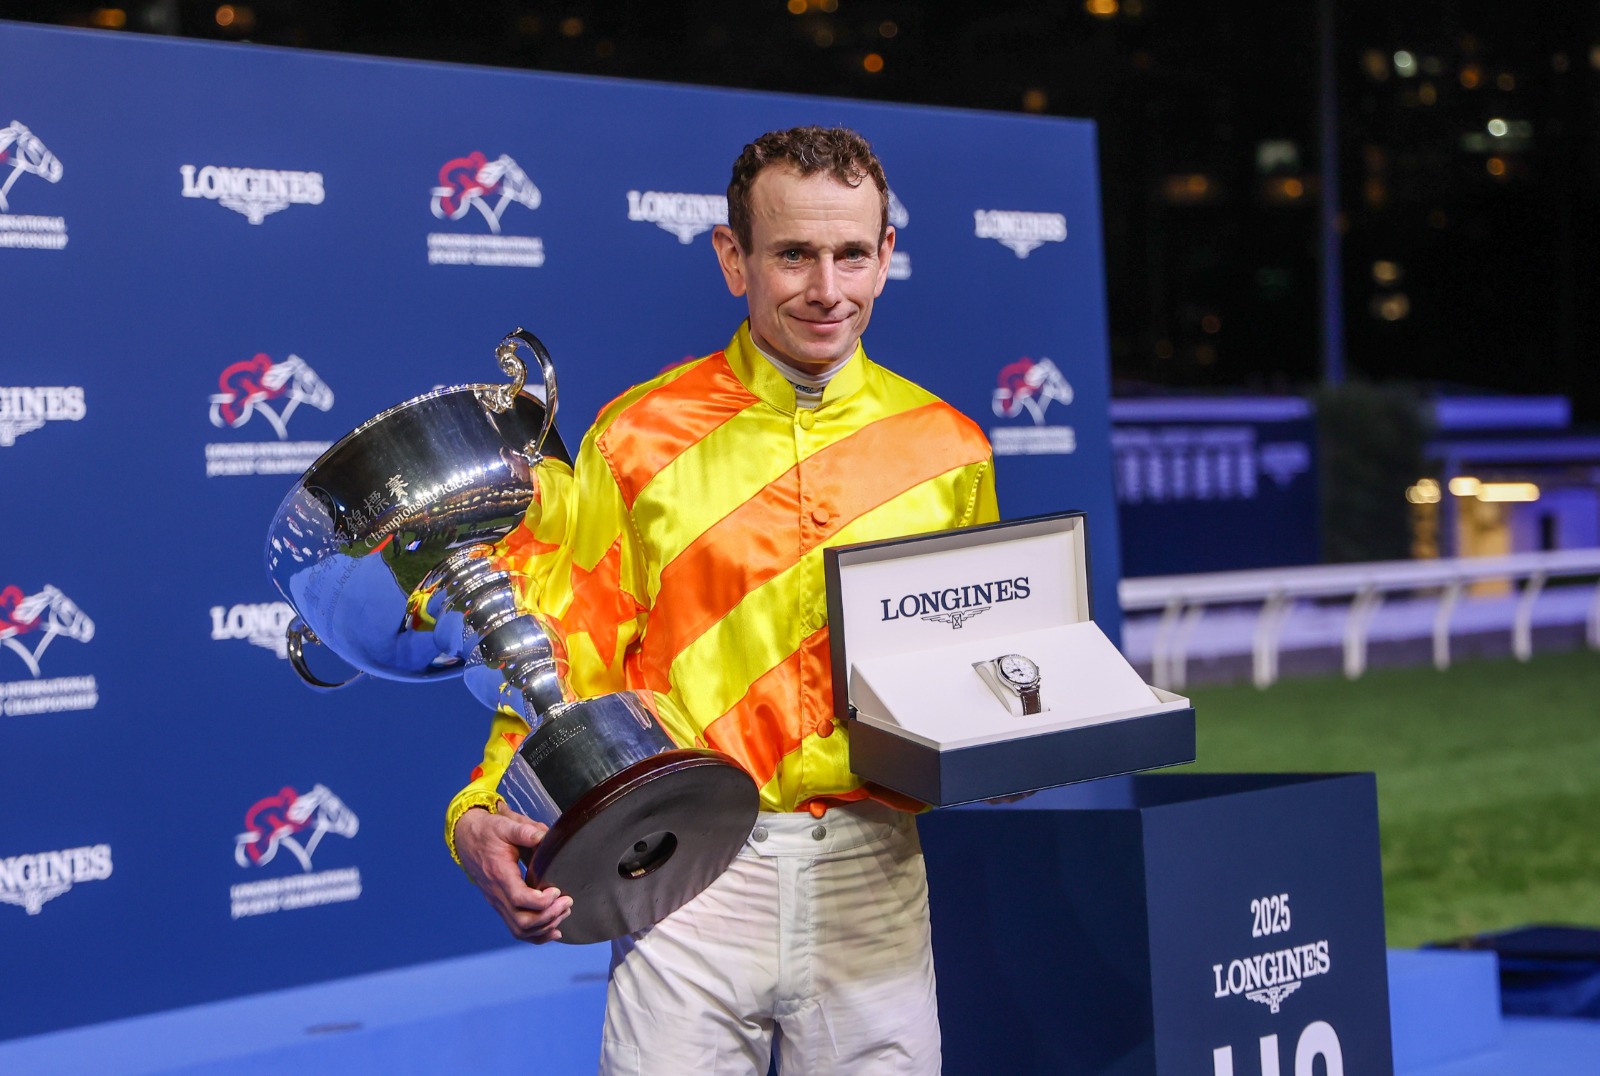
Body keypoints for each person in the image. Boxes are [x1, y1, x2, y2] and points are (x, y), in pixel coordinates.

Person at [447, 125, 999, 1075]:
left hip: (874, 878)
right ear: (732, 256)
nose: (829, 289)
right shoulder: (635, 438)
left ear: (887, 256)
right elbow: (557, 653)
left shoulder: (951, 451)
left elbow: (981, 663)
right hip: (684, 873)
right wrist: (480, 810)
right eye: (793, 254)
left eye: (852, 254)